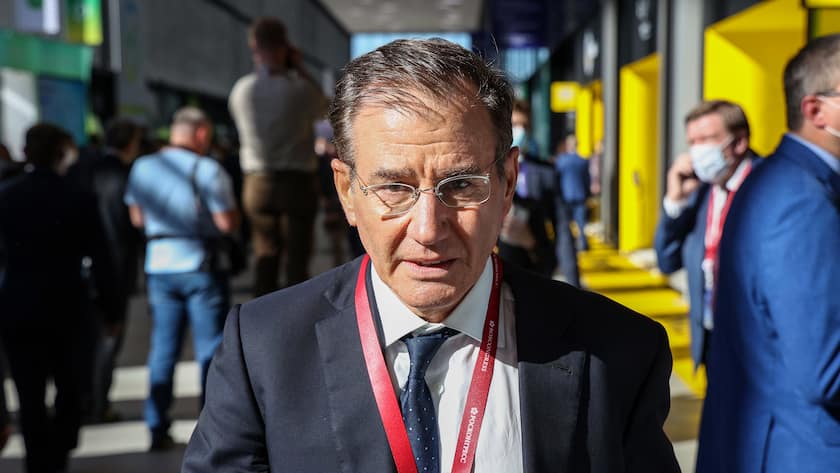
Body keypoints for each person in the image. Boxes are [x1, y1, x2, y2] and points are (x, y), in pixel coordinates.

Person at [183, 38, 679, 473]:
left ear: (508, 182)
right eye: (394, 188)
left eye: (461, 185)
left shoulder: (619, 352)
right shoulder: (264, 350)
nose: (428, 229)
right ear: (346, 191)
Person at [696, 34, 840, 473]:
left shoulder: (786, 182)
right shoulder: (801, 199)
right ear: (815, 110)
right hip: (801, 451)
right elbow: (825, 370)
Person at [0, 123, 115, 473]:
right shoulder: (78, 196)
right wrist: (111, 308)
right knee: (71, 383)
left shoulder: (7, 196)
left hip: (19, 303)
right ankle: (59, 450)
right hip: (68, 305)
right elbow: (101, 257)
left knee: (28, 389)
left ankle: (38, 459)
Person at [124, 107, 239, 451]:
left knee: (162, 349)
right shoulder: (207, 169)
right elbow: (226, 224)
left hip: (159, 267)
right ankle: (210, 429)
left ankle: (156, 424)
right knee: (208, 349)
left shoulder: (142, 166)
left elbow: (137, 219)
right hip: (199, 266)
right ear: (201, 133)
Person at [653, 100, 759, 369]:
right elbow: (667, 260)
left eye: (707, 139)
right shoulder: (701, 193)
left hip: (756, 344)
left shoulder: (770, 185)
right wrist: (674, 200)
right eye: (692, 141)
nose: (698, 150)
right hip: (710, 339)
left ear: (739, 142)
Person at [229, 16, 327, 296]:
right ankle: (296, 316)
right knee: (297, 256)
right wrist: (299, 68)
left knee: (264, 252)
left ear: (253, 48)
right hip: (297, 179)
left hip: (257, 181)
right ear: (286, 48)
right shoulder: (300, 89)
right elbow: (325, 108)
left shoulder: (241, 90)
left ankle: (261, 312)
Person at [69, 118, 146, 423]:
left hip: (81, 269)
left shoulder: (86, 171)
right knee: (108, 339)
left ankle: (86, 400)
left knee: (86, 342)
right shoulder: (123, 177)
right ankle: (97, 403)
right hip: (112, 268)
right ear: (130, 144)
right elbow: (126, 229)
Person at [499, 100, 561, 278]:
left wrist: (530, 242)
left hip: (531, 272)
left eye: (525, 125)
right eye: (515, 125)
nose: (521, 131)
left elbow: (560, 227)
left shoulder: (545, 172)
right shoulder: (483, 171)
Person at [554, 134, 591, 251]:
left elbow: (556, 179)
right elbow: (587, 179)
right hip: (580, 195)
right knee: (581, 223)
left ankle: (569, 246)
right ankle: (583, 244)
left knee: (566, 224)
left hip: (565, 196)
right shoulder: (583, 161)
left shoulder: (561, 161)